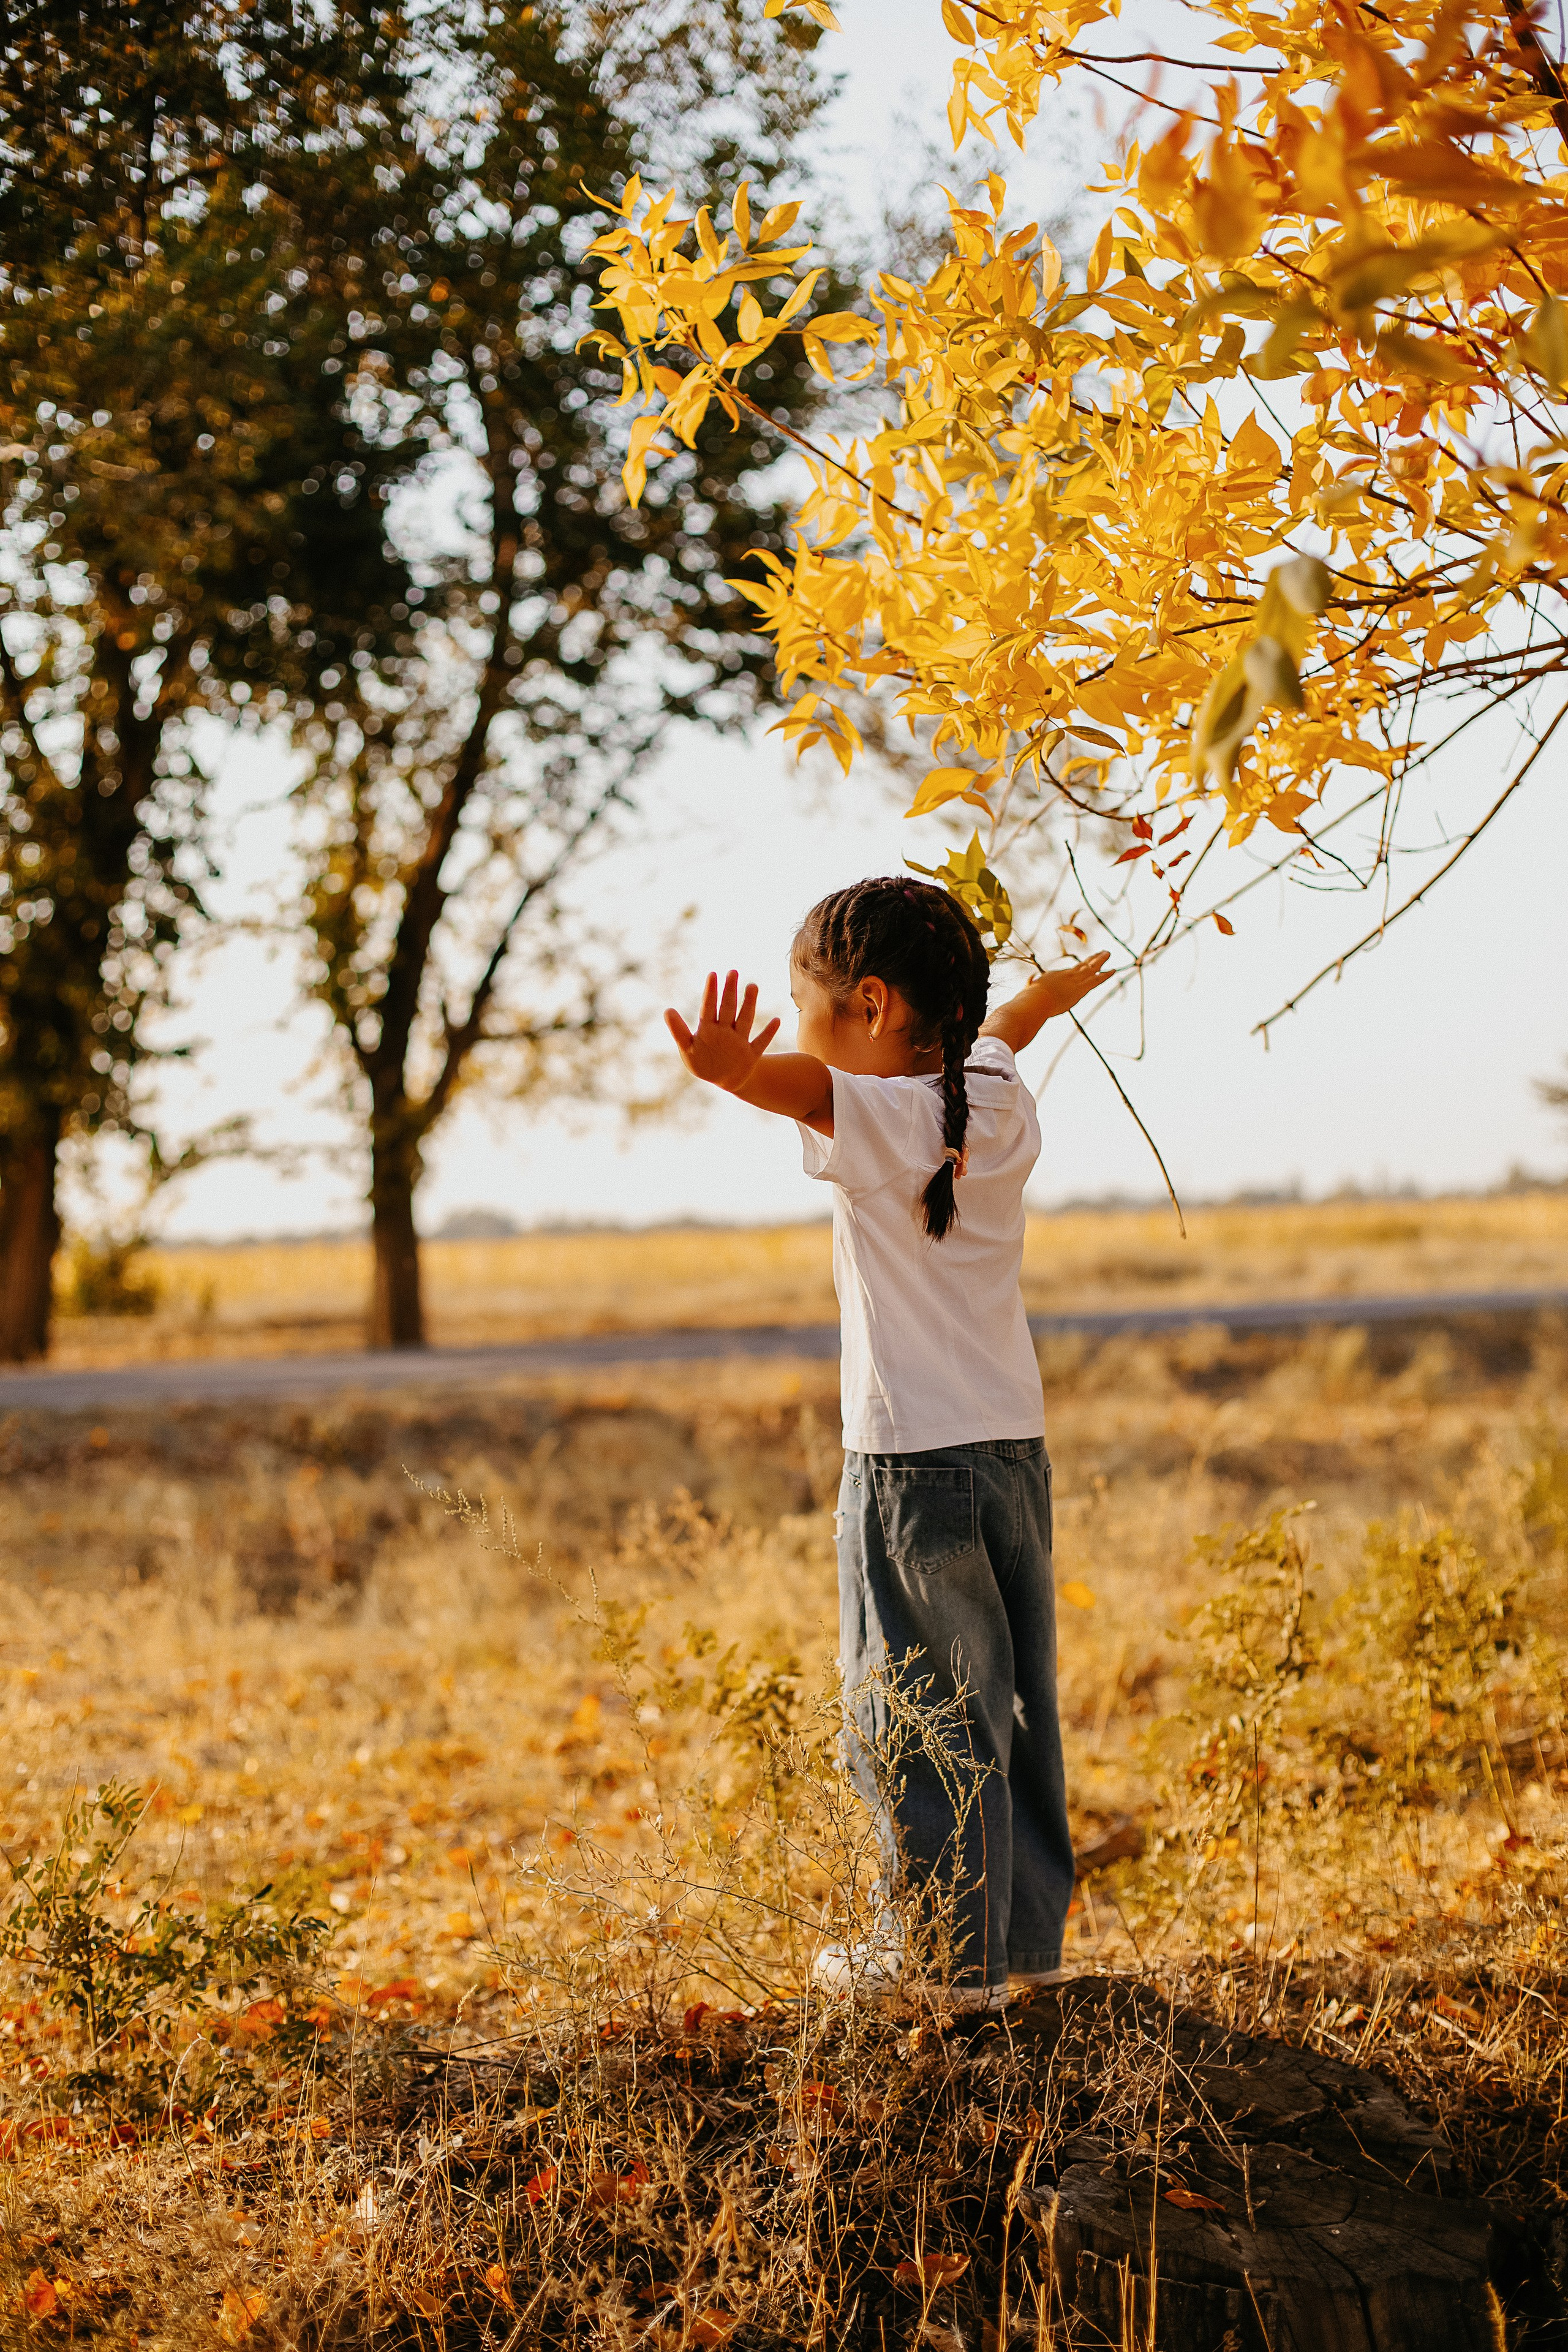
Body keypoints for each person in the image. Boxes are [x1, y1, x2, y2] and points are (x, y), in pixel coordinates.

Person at [665, 876, 1110, 2010]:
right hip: (1013, 1453)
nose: (794, 1021)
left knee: (913, 1710)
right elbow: (1003, 1034)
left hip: (913, 1467)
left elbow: (801, 1089)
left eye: (801, 1001)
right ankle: (1022, 1955)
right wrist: (1045, 999)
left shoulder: (885, 1116)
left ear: (868, 1004)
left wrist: (731, 1073)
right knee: (1014, 1706)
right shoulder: (996, 1102)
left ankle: (933, 1965)